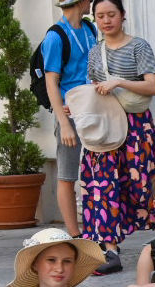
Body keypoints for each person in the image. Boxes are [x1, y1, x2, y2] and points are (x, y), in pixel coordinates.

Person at [79, 0, 155, 276]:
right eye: (100, 16)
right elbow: (95, 89)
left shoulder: (138, 46)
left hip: (136, 128)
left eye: (111, 15)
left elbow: (153, 86)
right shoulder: (96, 52)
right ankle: (110, 251)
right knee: (103, 186)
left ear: (123, 16)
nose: (106, 20)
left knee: (147, 186)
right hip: (106, 128)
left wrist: (118, 81)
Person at [41, 0, 97, 241]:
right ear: (82, 2)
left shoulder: (90, 28)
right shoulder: (55, 37)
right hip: (70, 113)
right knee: (67, 175)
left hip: (94, 109)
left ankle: (97, 229)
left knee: (97, 174)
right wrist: (63, 122)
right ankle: (76, 235)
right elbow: (51, 81)